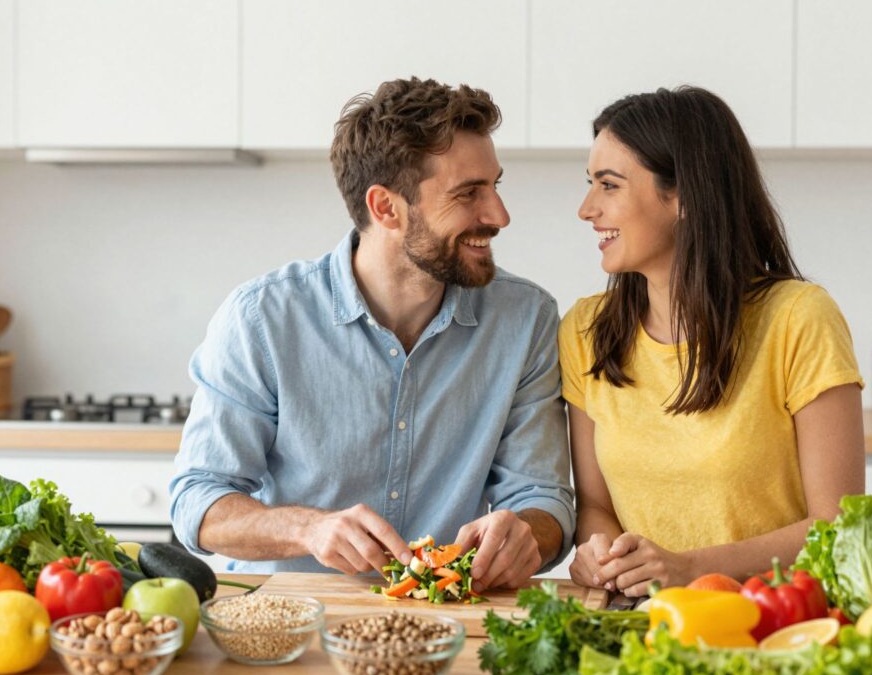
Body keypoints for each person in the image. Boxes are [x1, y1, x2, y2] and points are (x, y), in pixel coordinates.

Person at [170, 77, 574, 591]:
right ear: (386, 208)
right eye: (469, 193)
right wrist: (309, 529)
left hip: (446, 620)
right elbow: (198, 501)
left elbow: (544, 499)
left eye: (495, 185)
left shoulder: (524, 319)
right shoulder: (262, 319)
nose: (499, 215)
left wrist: (528, 534)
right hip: (286, 623)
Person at [560, 86, 865, 597]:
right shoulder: (587, 331)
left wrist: (690, 568)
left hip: (778, 621)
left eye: (608, 185)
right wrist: (602, 555)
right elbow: (595, 505)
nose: (587, 208)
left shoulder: (797, 318)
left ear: (683, 196)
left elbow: (837, 526)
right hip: (645, 622)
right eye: (591, 184)